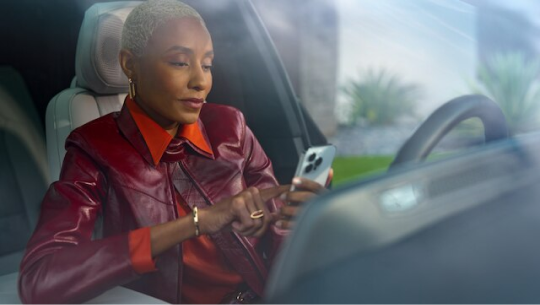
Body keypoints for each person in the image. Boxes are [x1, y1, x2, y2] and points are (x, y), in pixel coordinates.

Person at [18, 1, 328, 305]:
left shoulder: (231, 127)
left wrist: (295, 220)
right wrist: (198, 222)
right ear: (130, 65)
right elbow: (40, 279)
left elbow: (276, 238)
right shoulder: (93, 148)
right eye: (180, 62)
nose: (200, 81)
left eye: (207, 65)